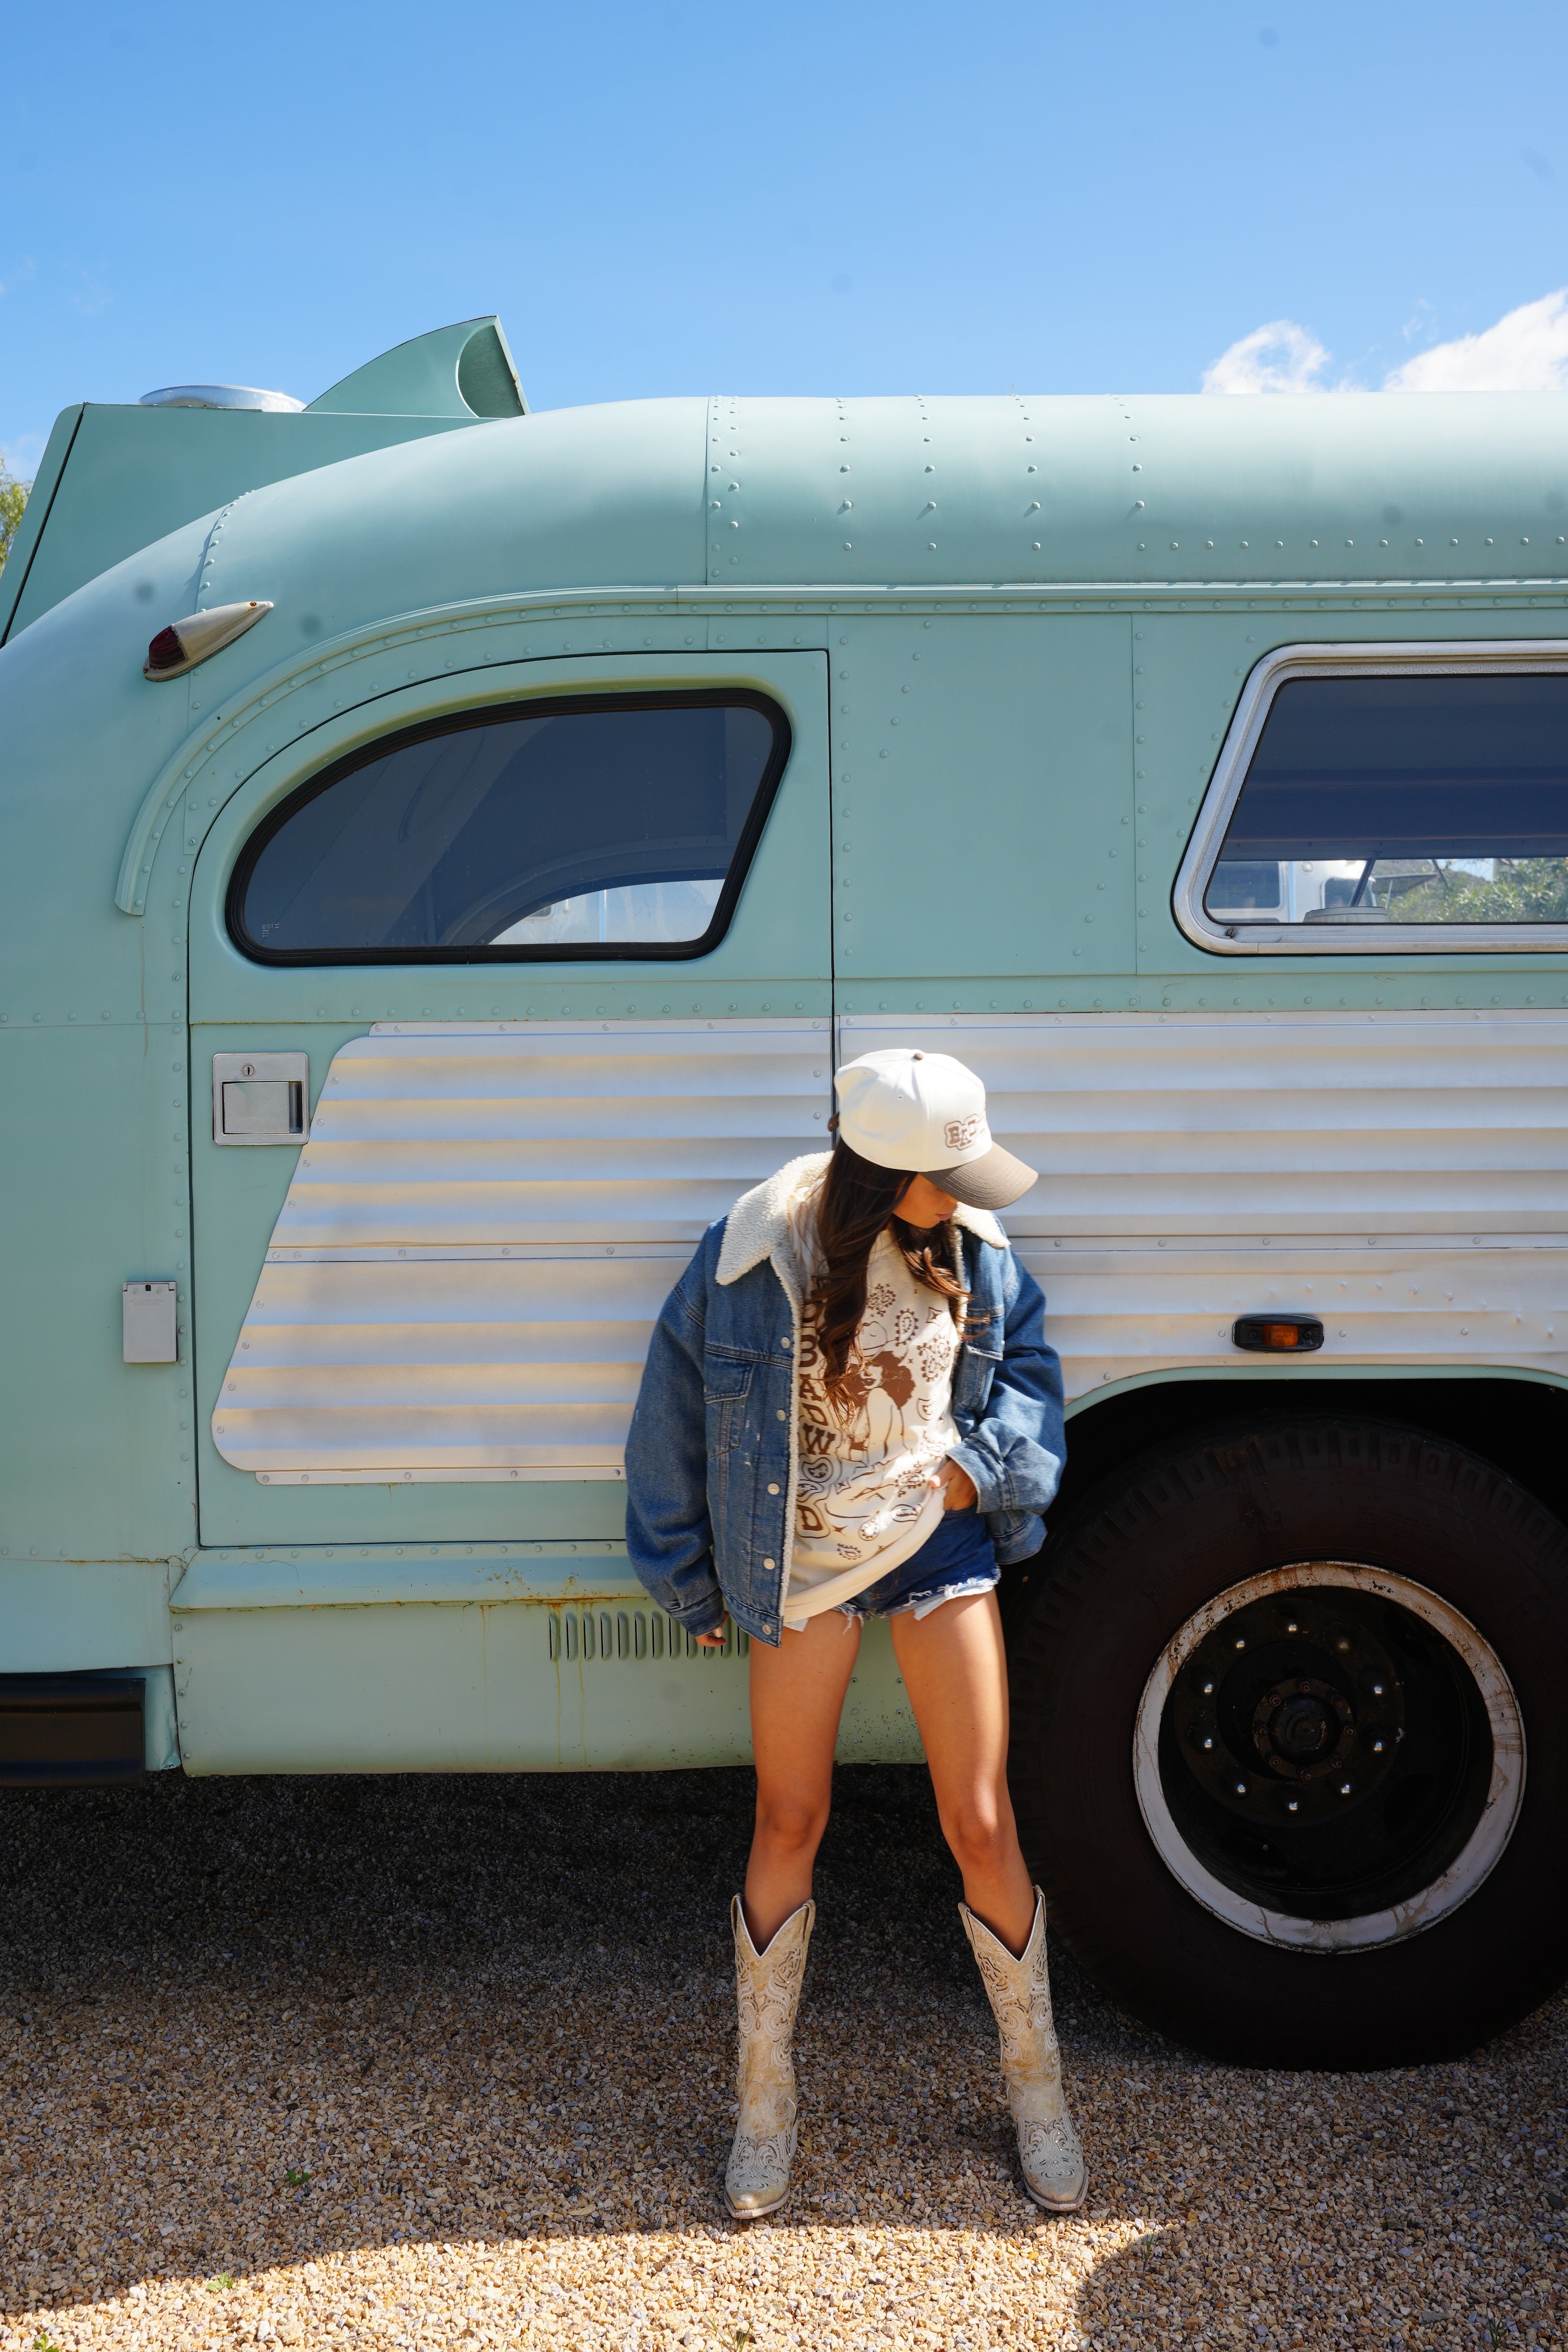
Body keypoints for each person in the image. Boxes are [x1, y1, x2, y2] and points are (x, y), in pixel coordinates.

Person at [625, 1048, 1087, 2220]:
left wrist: (973, 1479)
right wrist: (689, 1579)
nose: (973, 1189)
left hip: (936, 1548)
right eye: (952, 1170)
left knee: (980, 1818)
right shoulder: (752, 1258)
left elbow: (1028, 1378)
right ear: (886, 1172)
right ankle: (762, 2107)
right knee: (789, 1816)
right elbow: (671, 1415)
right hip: (803, 1557)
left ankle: (1040, 2095)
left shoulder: (974, 1246)